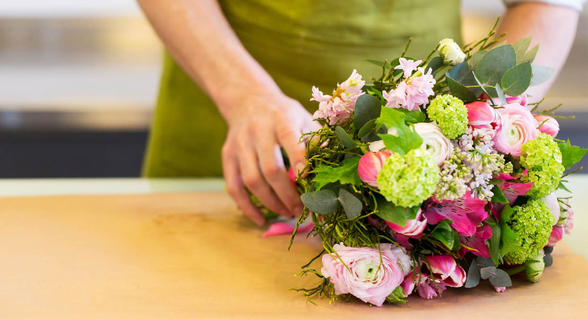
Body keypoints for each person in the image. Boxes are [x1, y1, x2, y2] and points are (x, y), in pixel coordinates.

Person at [138, 0, 585, 226]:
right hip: (233, 120)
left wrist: (484, 122)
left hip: (426, 123)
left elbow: (544, 3)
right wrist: (243, 95)